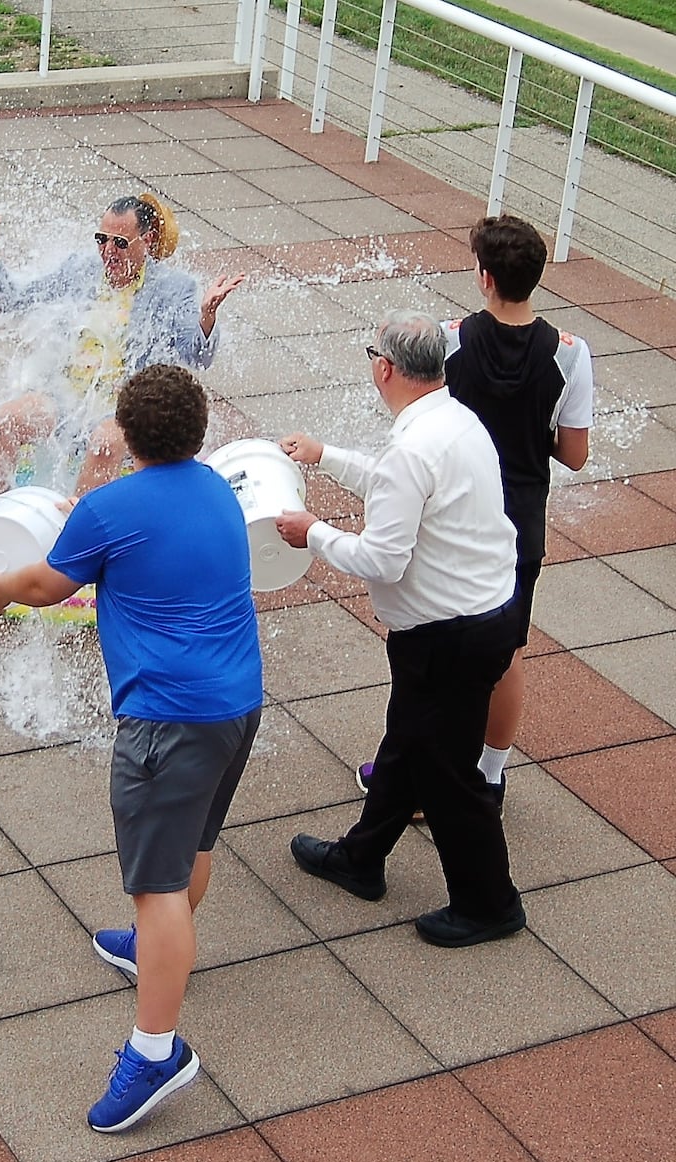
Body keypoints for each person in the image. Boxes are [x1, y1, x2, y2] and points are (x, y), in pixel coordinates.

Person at [0, 365, 262, 1134]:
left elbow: (45, 586)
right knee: (194, 841)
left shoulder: (112, 507)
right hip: (236, 704)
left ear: (125, 436)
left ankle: (157, 1051)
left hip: (168, 721)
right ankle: (153, 948)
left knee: (155, 885)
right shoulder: (218, 490)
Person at [275, 310, 526, 949]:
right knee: (410, 743)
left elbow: (383, 557)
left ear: (384, 367)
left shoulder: (413, 447)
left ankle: (489, 905)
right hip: (488, 614)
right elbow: (397, 482)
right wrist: (326, 456)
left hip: (445, 635)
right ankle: (360, 859)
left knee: (448, 775)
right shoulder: (456, 419)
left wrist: (314, 534)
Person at [355, 215, 593, 805]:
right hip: (521, 518)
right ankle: (488, 772)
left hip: (455, 505)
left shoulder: (453, 339)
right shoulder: (571, 353)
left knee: (434, 650)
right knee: (507, 649)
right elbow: (576, 454)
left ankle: (413, 771)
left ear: (484, 277)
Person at [0, 193, 245, 510]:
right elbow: (15, 299)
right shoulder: (80, 270)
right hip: (68, 398)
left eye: (120, 242)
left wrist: (206, 316)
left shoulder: (173, 288)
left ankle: (75, 548)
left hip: (125, 408)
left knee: (104, 445)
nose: (108, 252)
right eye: (101, 240)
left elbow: (196, 356)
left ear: (146, 240)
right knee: (2, 422)